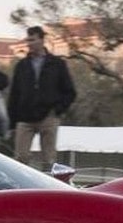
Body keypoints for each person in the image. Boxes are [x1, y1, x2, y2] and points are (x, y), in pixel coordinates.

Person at [9, 26, 76, 170]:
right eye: (28, 40)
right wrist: (13, 120)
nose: (29, 43)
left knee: (49, 159)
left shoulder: (57, 64)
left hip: (48, 116)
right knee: (20, 157)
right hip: (25, 117)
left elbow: (70, 91)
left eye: (33, 40)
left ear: (41, 40)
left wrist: (57, 110)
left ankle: (48, 183)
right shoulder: (22, 66)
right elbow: (14, 93)